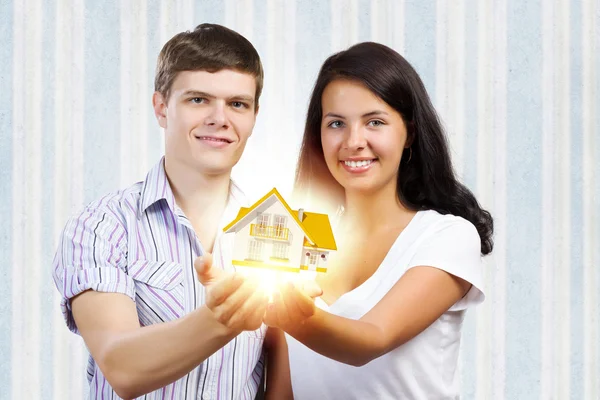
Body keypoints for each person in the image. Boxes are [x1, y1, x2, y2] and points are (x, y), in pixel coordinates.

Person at [262, 42, 494, 399]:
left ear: (410, 134)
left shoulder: (446, 236)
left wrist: (283, 311)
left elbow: (370, 339)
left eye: (375, 122)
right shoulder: (297, 238)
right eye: (336, 123)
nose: (354, 142)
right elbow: (280, 392)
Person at [52, 23, 271, 399]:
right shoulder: (100, 226)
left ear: (253, 116)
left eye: (238, 104)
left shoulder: (275, 231)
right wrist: (219, 319)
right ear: (161, 108)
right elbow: (122, 367)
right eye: (198, 99)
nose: (220, 118)